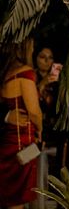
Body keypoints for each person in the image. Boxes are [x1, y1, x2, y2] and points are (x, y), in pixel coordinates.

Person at [0, 39, 43, 208]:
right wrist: (40, 128)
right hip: (22, 145)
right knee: (17, 200)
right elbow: (34, 111)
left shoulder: (6, 73)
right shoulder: (25, 73)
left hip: (7, 142)